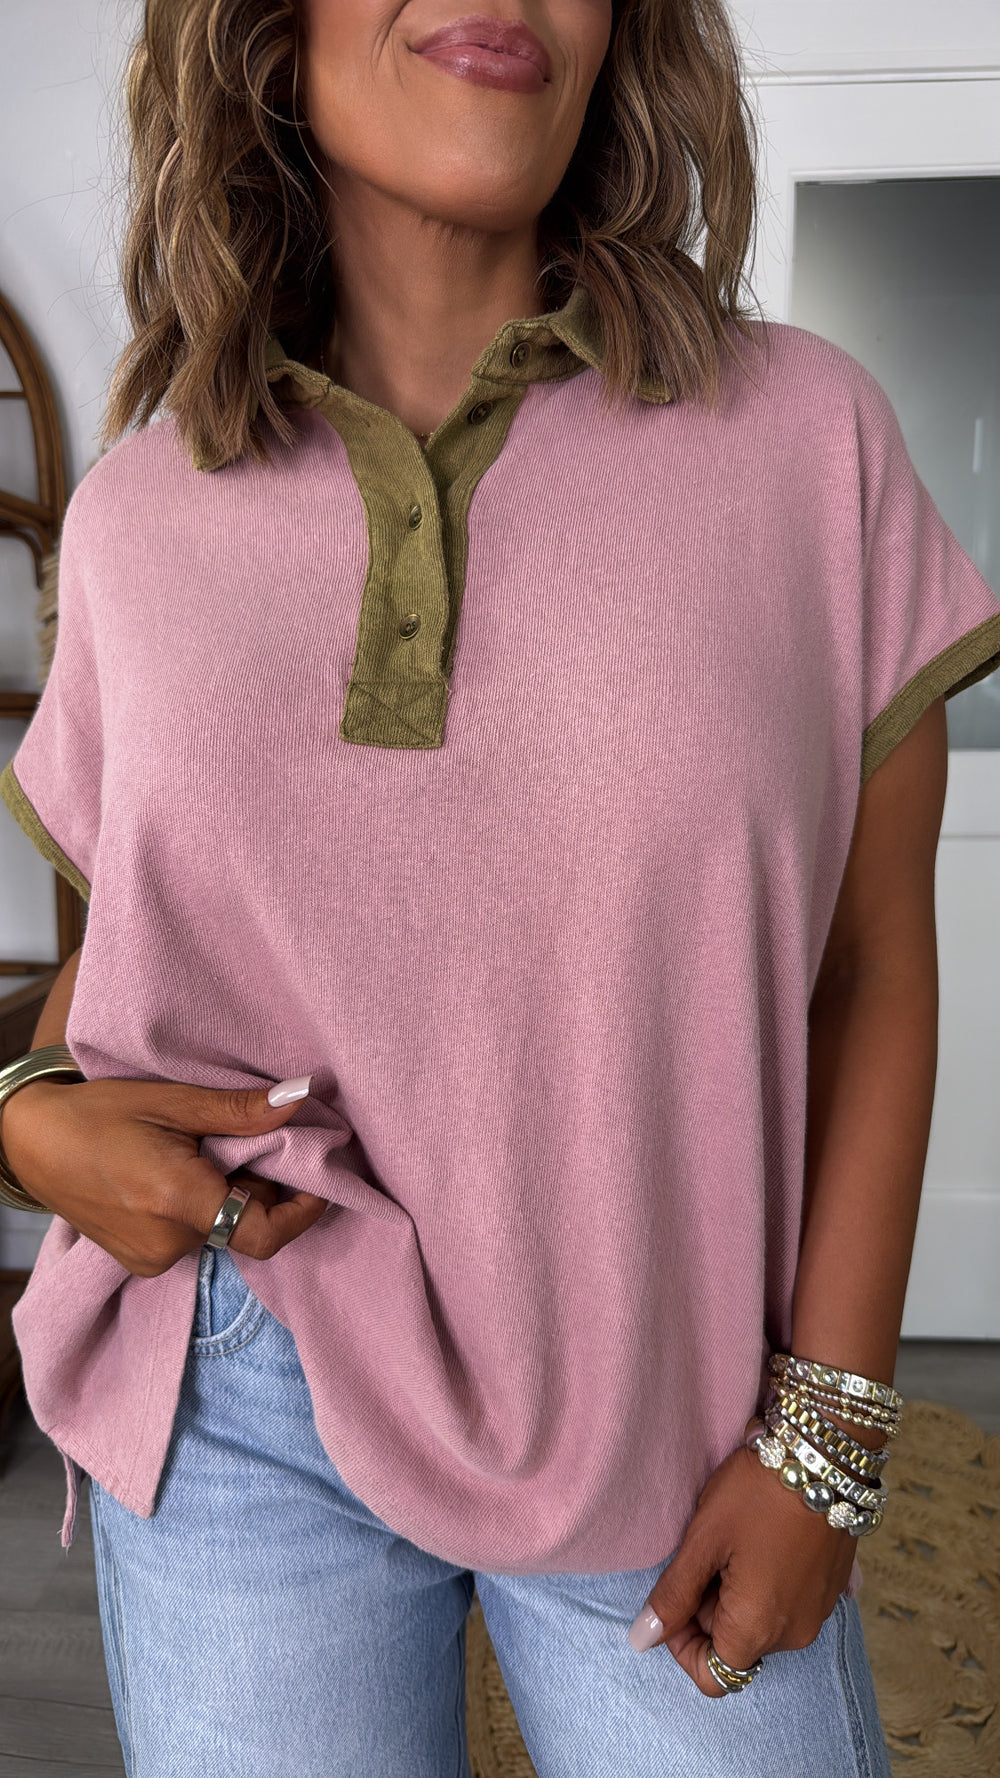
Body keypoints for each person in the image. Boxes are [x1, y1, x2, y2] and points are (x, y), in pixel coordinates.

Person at [1, 1, 999, 1773]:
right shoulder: (140, 514)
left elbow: (871, 965)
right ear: (266, 29)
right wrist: (21, 1111)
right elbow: (140, 963)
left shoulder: (807, 443)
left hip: (672, 1381)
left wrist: (829, 1438)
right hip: (237, 1375)